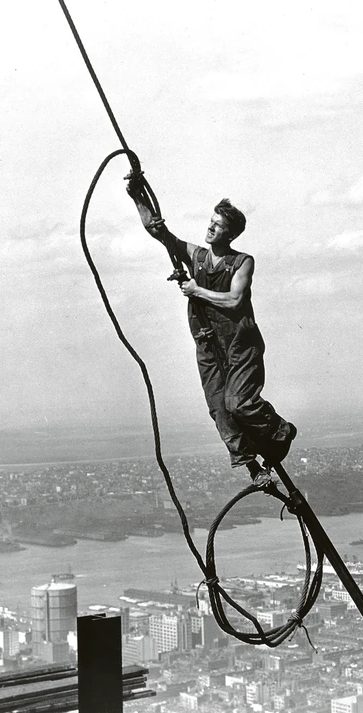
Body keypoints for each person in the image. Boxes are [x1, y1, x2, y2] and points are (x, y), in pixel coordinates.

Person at [127, 178, 297, 485]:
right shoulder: (198, 258)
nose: (210, 228)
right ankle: (253, 469)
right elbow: (159, 232)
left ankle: (280, 432)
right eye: (210, 222)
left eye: (217, 225)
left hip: (239, 345)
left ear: (229, 233)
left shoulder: (242, 262)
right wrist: (138, 196)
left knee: (239, 404)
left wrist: (195, 289)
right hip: (207, 342)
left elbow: (234, 301)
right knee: (220, 409)